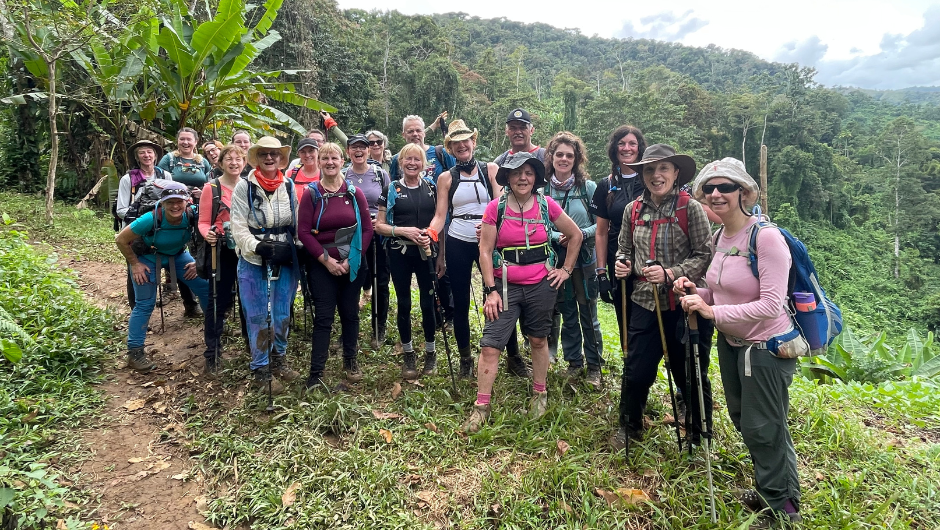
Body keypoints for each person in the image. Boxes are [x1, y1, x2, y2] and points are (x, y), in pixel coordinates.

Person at [677, 158, 802, 526]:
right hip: (732, 344)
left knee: (764, 426)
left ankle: (782, 508)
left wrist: (711, 313)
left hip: (764, 347)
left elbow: (770, 304)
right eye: (710, 189)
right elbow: (720, 294)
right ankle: (774, 489)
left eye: (726, 187)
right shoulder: (720, 238)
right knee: (749, 421)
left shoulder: (765, 237)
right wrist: (695, 292)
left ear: (743, 192)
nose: (716, 194)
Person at [462, 152, 583, 433]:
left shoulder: (546, 205)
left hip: (541, 283)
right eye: (517, 173)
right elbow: (485, 250)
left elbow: (575, 235)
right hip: (504, 284)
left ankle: (539, 393)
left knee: (539, 340)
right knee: (491, 344)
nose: (523, 178)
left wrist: (565, 269)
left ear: (536, 178)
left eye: (529, 173)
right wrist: (490, 290)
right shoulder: (496, 207)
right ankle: (482, 406)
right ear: (508, 178)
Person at [610, 144, 714, 451]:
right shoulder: (633, 210)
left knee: (690, 372)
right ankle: (629, 425)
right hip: (644, 300)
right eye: (650, 169)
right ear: (642, 174)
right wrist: (622, 263)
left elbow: (705, 254)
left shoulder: (689, 208)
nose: (657, 175)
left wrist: (671, 274)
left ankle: (699, 434)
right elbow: (625, 248)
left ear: (676, 173)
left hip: (685, 304)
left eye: (663, 169)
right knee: (637, 368)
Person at [429, 119, 502, 377]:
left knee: (495, 297)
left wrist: (492, 227)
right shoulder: (446, 178)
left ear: (473, 142)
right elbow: (440, 215)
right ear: (450, 148)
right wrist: (429, 234)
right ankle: (465, 359)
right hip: (458, 239)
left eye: (466, 140)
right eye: (456, 142)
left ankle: (503, 352)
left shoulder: (490, 169)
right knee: (460, 303)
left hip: (488, 241)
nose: (462, 145)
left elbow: (501, 206)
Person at [230, 136, 302, 394]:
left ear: (281, 158)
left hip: (284, 256)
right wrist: (256, 246)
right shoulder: (243, 188)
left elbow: (295, 221)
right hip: (253, 258)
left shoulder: (289, 186)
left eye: (274, 154)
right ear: (257, 158)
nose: (269, 158)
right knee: (257, 314)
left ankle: (279, 358)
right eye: (264, 154)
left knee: (282, 310)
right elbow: (237, 225)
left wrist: (299, 248)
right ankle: (261, 367)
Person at [298, 142, 373, 387]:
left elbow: (367, 229)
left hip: (352, 263)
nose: (330, 162)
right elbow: (304, 232)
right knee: (324, 317)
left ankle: (350, 359)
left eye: (335, 158)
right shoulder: (311, 194)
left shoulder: (354, 193)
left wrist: (352, 259)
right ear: (319, 162)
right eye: (325, 158)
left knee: (350, 313)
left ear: (343, 161)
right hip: (322, 264)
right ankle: (316, 372)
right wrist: (327, 260)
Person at [115, 182, 209, 372]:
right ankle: (135, 352)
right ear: (163, 203)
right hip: (148, 257)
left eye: (179, 202)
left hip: (179, 255)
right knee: (145, 303)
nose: (175, 206)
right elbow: (121, 239)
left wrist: (199, 261)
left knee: (206, 287)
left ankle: (214, 330)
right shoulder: (150, 218)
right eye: (170, 202)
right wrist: (135, 264)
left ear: (187, 202)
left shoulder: (193, 213)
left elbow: (210, 231)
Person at [543, 132, 604, 388]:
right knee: (567, 311)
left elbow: (601, 226)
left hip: (585, 259)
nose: (564, 159)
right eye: (560, 154)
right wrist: (559, 235)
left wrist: (578, 235)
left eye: (570, 155)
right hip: (558, 261)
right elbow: (539, 224)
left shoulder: (588, 188)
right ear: (551, 157)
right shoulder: (542, 189)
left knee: (588, 312)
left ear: (577, 159)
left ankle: (594, 366)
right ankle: (573, 362)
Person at [375, 143, 441, 379]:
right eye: (407, 159)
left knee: (428, 303)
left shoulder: (432, 187)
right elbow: (379, 225)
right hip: (399, 252)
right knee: (404, 303)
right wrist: (403, 231)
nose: (412, 163)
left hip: (426, 251)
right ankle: (409, 354)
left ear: (423, 164)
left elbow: (439, 219)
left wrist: (437, 250)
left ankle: (431, 353)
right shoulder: (391, 188)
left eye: (417, 159)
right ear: (400, 162)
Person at [590, 126, 647, 356]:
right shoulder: (606, 184)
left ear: (640, 148)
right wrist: (601, 272)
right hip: (618, 262)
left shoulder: (651, 180)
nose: (627, 148)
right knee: (625, 319)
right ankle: (630, 366)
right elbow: (601, 232)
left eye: (632, 143)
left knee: (648, 318)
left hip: (648, 260)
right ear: (614, 149)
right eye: (621, 143)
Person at [198, 145, 245, 374]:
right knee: (218, 299)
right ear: (221, 162)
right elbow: (204, 220)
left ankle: (251, 343)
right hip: (221, 249)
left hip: (246, 249)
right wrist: (207, 233)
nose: (234, 163)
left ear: (244, 162)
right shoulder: (212, 187)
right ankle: (212, 352)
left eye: (238, 159)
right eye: (229, 159)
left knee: (248, 297)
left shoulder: (249, 186)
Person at [342, 134, 391, 346]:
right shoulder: (343, 175)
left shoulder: (380, 174)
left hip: (378, 233)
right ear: (348, 152)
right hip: (353, 235)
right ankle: (347, 329)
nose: (359, 151)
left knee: (380, 280)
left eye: (363, 147)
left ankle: (379, 327)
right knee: (352, 279)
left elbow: (391, 203)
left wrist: (379, 220)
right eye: (355, 148)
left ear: (369, 150)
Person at [115, 140, 173, 309]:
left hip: (161, 228)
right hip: (136, 229)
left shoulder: (165, 176)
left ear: (155, 156)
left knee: (163, 261)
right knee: (135, 267)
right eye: (142, 153)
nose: (146, 156)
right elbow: (121, 209)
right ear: (137, 157)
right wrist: (144, 218)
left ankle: (178, 300)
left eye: (150, 152)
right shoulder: (129, 179)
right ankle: (137, 307)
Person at [388, 114, 455, 182]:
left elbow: (456, 180)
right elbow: (394, 187)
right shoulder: (397, 159)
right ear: (403, 135)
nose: (415, 134)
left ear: (424, 133)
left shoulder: (442, 154)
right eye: (410, 131)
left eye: (418, 130)